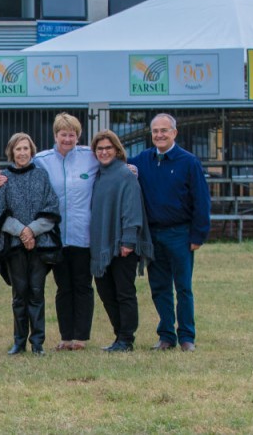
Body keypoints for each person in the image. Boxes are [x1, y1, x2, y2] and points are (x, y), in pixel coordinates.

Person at [129, 113, 210, 352]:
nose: (159, 135)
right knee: (159, 287)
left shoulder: (189, 162)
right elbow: (116, 161)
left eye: (164, 130)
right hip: (153, 235)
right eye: (155, 131)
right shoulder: (143, 160)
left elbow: (202, 201)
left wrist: (198, 236)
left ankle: (187, 337)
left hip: (180, 234)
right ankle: (166, 336)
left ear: (174, 133)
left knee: (183, 287)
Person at [33, 113, 97, 351]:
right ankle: (65, 336)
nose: (67, 138)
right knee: (63, 287)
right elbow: (23, 176)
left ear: (78, 136)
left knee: (82, 285)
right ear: (55, 135)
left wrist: (131, 167)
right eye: (63, 134)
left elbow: (114, 162)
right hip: (55, 235)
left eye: (72, 134)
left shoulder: (90, 158)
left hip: (83, 234)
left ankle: (80, 337)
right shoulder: (42, 160)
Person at [0, 133, 60, 356]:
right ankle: (19, 341)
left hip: (40, 245)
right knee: (19, 294)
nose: (22, 153)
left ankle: (38, 343)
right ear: (11, 152)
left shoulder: (42, 176)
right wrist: (21, 232)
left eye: (25, 148)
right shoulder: (3, 179)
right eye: (17, 149)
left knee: (36, 292)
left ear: (31, 151)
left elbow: (52, 208)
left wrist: (32, 230)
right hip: (14, 247)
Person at [89, 130, 154, 352]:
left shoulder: (125, 175)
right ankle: (119, 336)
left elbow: (131, 210)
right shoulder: (98, 175)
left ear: (117, 150)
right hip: (101, 246)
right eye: (99, 149)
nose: (104, 152)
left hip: (122, 246)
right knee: (106, 292)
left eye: (108, 148)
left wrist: (128, 241)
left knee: (124, 292)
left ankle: (127, 338)